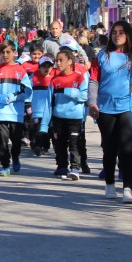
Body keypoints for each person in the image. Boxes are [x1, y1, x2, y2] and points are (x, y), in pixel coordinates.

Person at [88, 21, 132, 201]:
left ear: (128, 34)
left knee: (127, 148)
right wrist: (92, 102)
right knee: (109, 147)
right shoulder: (102, 56)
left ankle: (128, 187)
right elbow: (93, 81)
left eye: (121, 32)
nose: (117, 35)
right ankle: (109, 184)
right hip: (105, 108)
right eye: (114, 32)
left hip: (127, 107)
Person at [42, 49, 88, 181]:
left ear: (70, 61)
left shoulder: (79, 78)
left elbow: (85, 96)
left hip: (75, 119)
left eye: (61, 60)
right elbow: (48, 102)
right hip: (59, 118)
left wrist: (70, 92)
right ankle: (62, 166)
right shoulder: (54, 80)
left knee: (74, 144)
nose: (58, 63)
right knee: (60, 144)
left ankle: (75, 168)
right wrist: (44, 125)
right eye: (56, 60)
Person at [0, 40, 32, 177]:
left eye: (8, 52)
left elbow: (27, 91)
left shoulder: (20, 71)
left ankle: (15, 157)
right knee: (2, 142)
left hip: (16, 113)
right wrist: (0, 99)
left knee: (16, 141)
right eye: (2, 52)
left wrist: (14, 97)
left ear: (15, 53)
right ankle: (5, 165)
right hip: (0, 113)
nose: (5, 55)